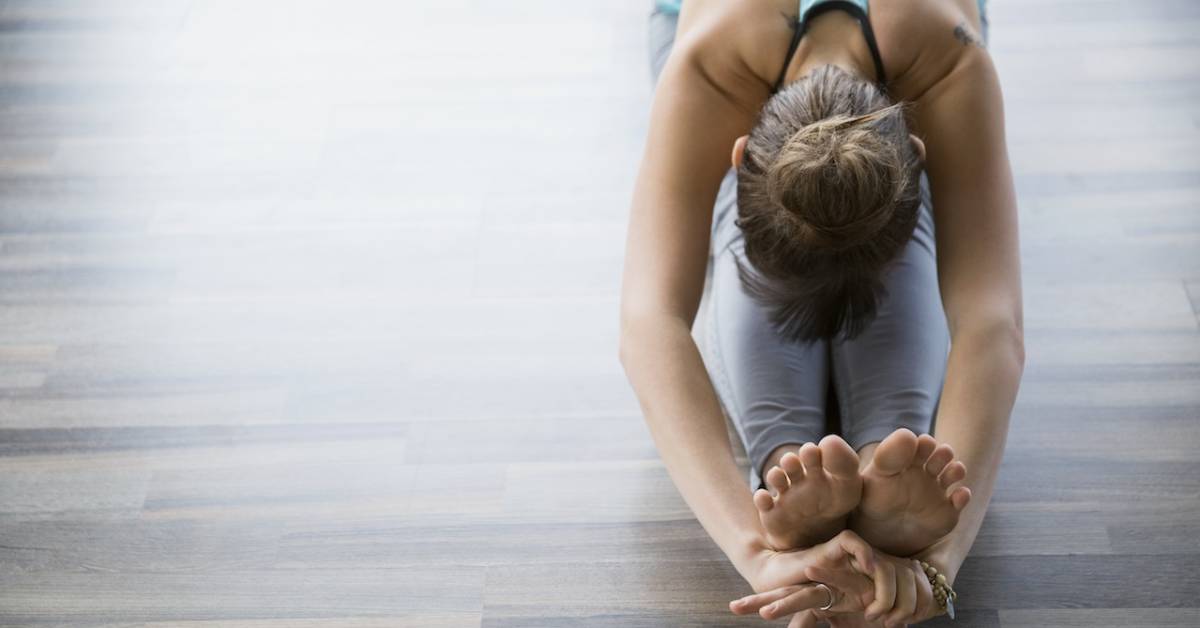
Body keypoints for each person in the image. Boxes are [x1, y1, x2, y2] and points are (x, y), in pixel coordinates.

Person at [619, 0, 1024, 625]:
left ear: (919, 151)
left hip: (909, 67)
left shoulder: (949, 56)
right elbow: (649, 325)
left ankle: (857, 455)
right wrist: (755, 553)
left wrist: (942, 558)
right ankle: (866, 453)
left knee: (865, 208)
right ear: (740, 154)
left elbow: (991, 323)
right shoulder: (709, 61)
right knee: (793, 214)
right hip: (730, 57)